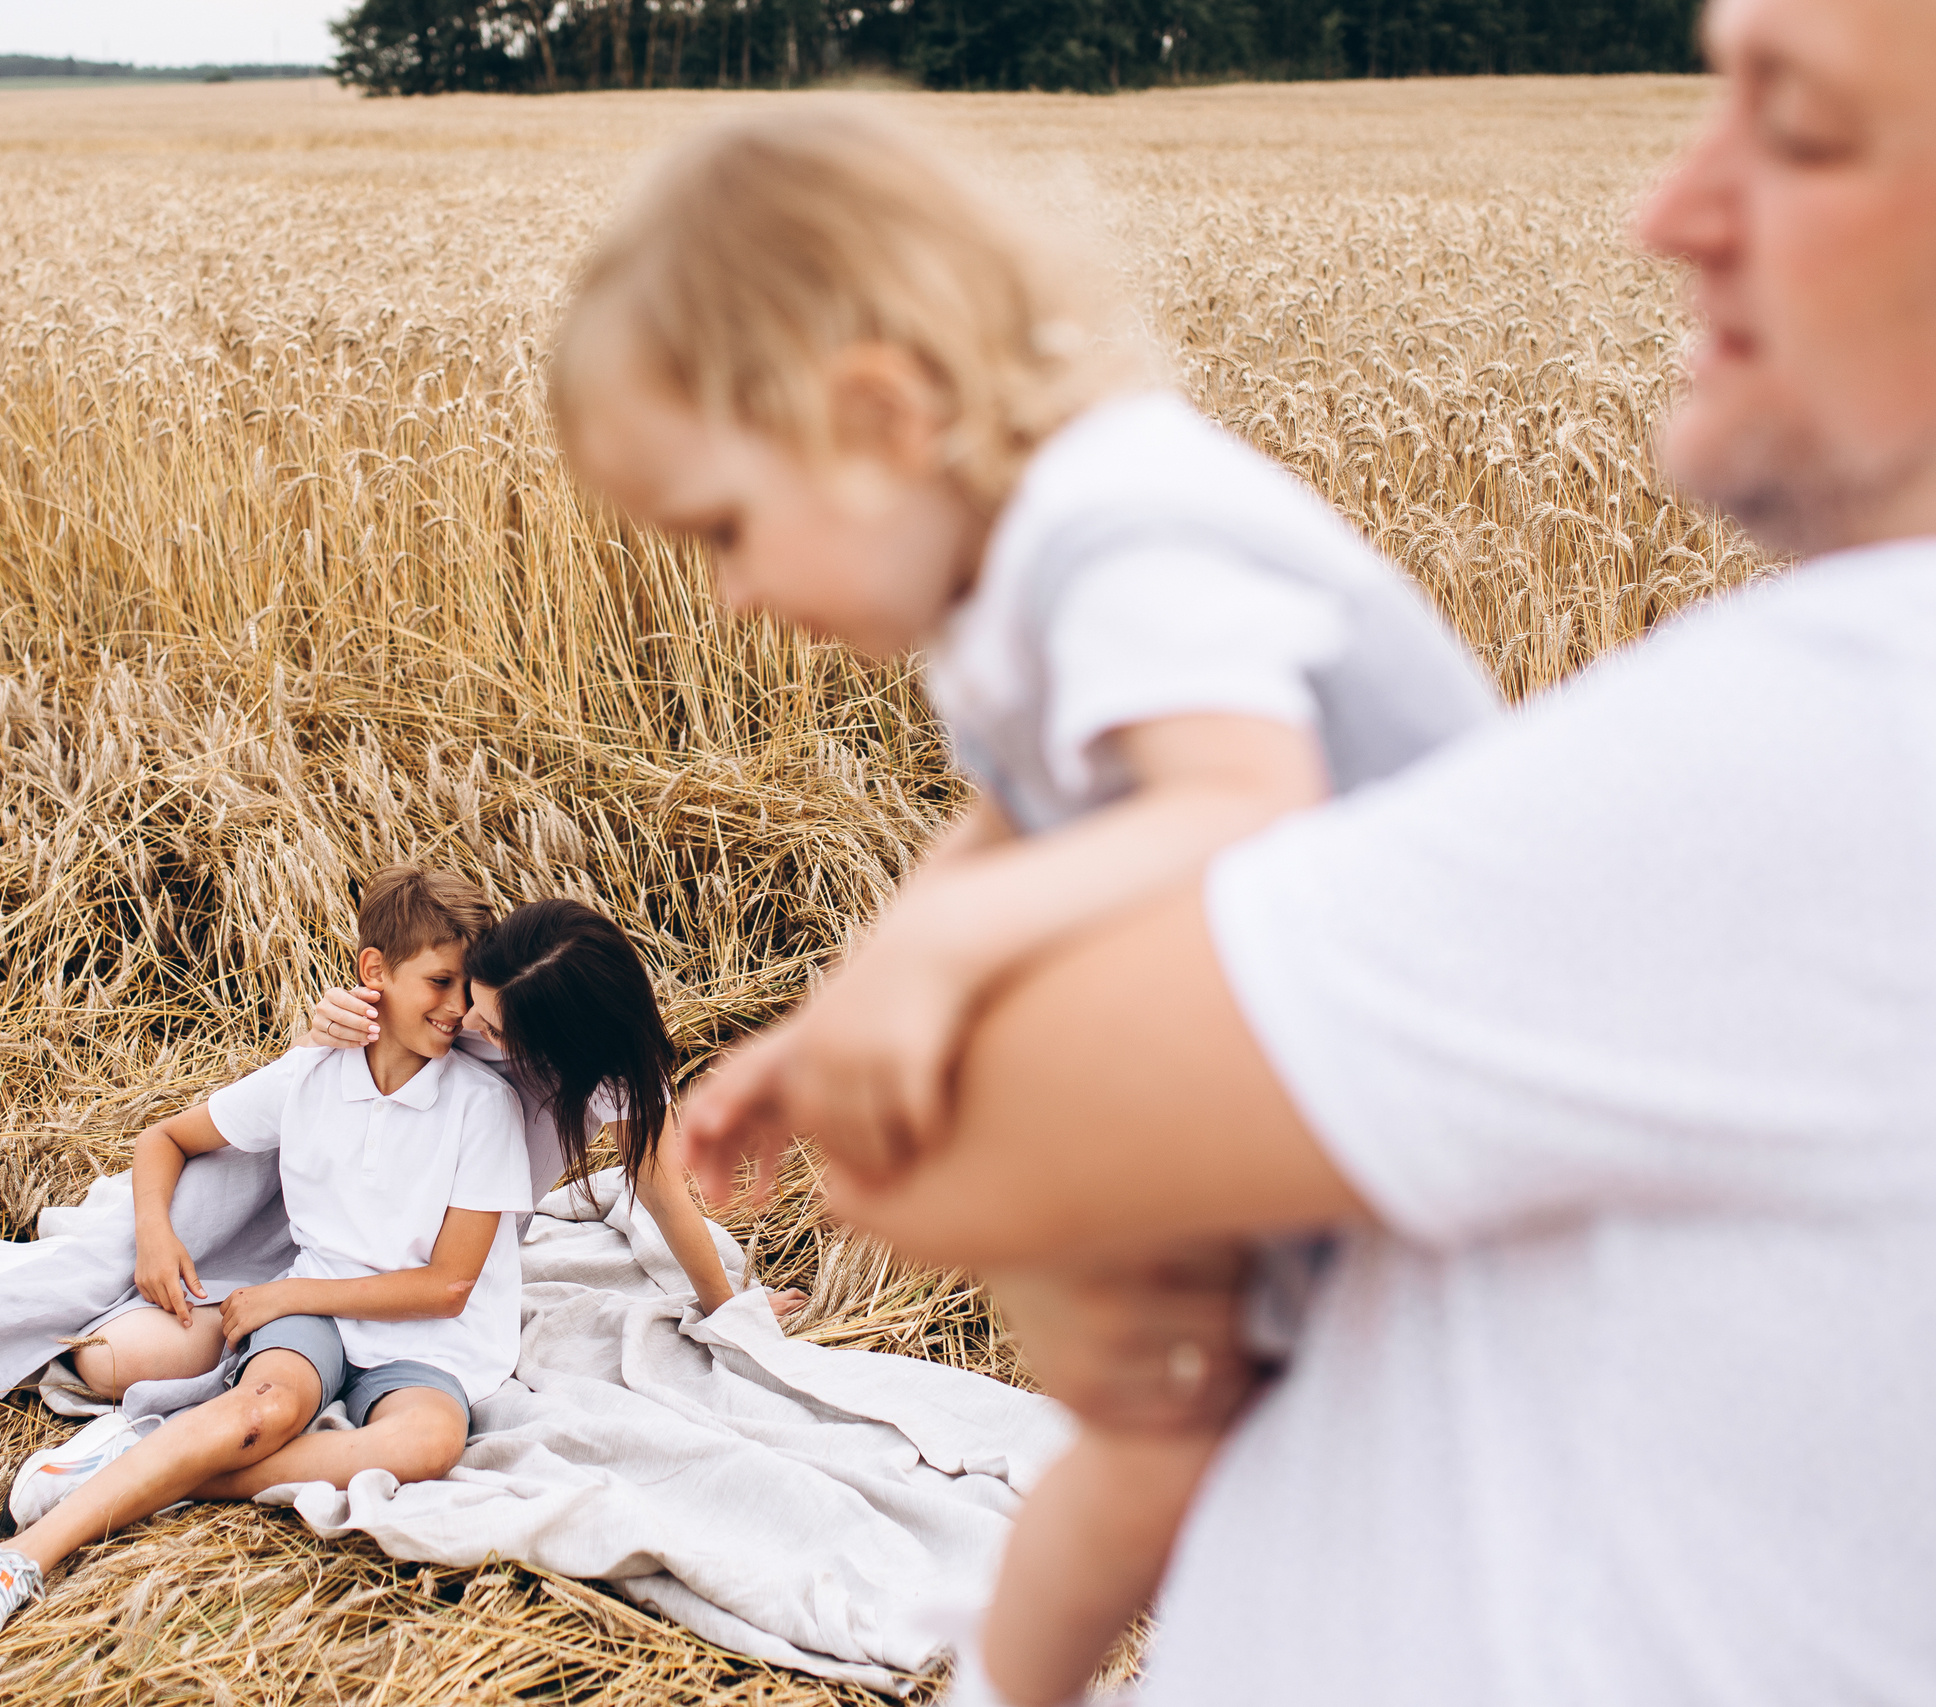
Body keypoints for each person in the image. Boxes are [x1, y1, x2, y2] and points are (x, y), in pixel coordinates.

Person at [687, 0, 1936, 1701]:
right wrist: (882, 993)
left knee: (1140, 1442)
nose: (1665, 210)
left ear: (877, 411)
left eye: (1800, 125)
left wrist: (908, 1006)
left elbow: (928, 1154)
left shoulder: (1849, 721)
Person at [550, 109, 1498, 1704]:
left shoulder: (1123, 522)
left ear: (875, 414)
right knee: (1155, 1435)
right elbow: (1015, 815)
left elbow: (1243, 802)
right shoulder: (1001, 576)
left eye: (723, 528)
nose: (728, 592)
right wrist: (840, 1012)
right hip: (1324, 1080)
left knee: (1246, 1437)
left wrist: (935, 959)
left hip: (1442, 1100)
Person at [0, 864, 535, 1639]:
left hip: (428, 1337)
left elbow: (447, 1287)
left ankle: (145, 1465)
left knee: (430, 1441)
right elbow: (167, 1136)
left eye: (467, 986)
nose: (458, 1007)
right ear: (375, 971)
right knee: (263, 1409)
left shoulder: (483, 1105)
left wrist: (288, 1294)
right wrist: (158, 1235)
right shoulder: (312, 1074)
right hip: (316, 1315)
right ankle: (14, 1561)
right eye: (440, 981)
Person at [303, 896, 806, 1323]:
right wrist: (321, 1033)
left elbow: (661, 1193)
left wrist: (727, 1307)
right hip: (346, 1219)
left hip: (452, 1260)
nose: (465, 1021)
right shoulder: (463, 1003)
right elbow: (311, 1090)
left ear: (564, 1048)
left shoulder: (613, 1073)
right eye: (471, 995)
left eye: (494, 1030)